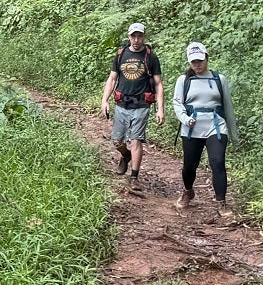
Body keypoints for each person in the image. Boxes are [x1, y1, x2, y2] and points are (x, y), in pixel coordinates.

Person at [174, 41, 236, 210]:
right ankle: (188, 191)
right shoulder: (184, 80)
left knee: (218, 162)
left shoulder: (219, 79)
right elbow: (177, 103)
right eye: (193, 61)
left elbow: (228, 107)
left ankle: (221, 203)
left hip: (216, 126)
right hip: (191, 128)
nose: (197, 65)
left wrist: (233, 134)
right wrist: (186, 119)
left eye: (200, 60)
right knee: (189, 166)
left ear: (206, 58)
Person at [100, 22, 163, 182]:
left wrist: (160, 109)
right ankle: (126, 155)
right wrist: (104, 100)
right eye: (133, 36)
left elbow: (158, 84)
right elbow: (112, 78)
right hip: (122, 103)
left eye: (139, 36)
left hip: (141, 104)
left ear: (144, 36)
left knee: (136, 140)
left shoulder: (150, 57)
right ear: (129, 36)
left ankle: (134, 177)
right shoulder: (121, 54)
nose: (136, 40)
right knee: (117, 141)